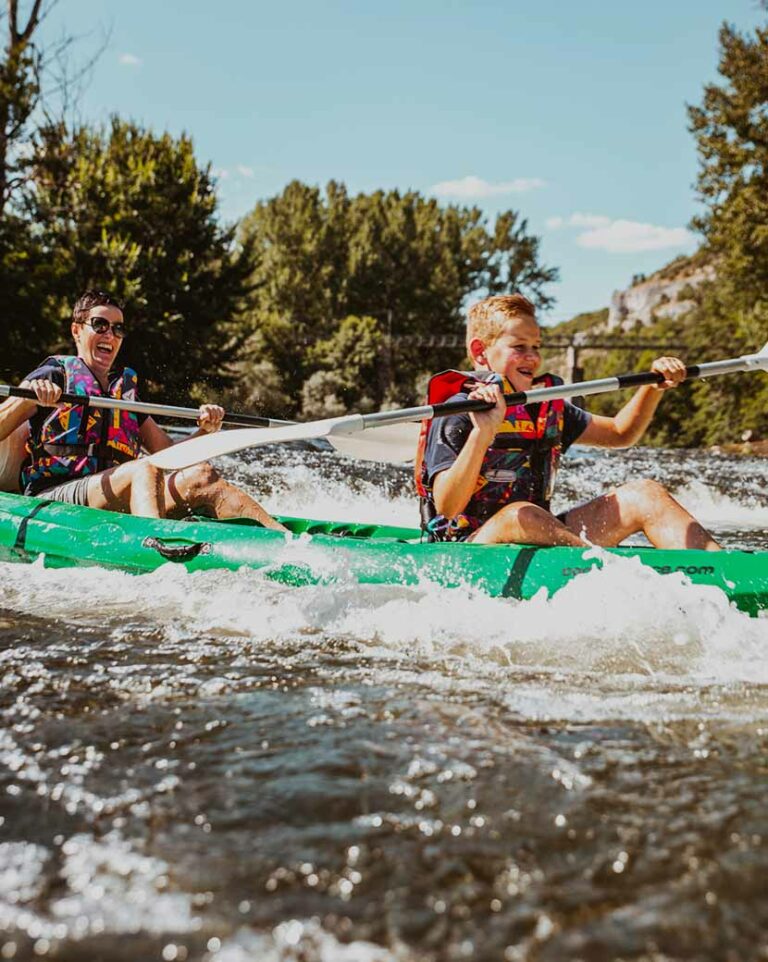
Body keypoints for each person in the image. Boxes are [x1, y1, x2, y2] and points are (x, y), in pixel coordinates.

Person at [416, 293, 720, 550]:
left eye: (536, 346)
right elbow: (447, 506)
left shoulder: (545, 408)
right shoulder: (457, 411)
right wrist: (482, 433)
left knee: (646, 494)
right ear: (481, 353)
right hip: (468, 545)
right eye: (519, 347)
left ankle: (723, 570)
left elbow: (620, 433)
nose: (532, 357)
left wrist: (652, 388)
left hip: (543, 532)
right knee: (520, 514)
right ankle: (610, 572)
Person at [0, 289, 285, 529]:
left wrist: (205, 430)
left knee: (202, 475)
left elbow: (169, 455)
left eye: (118, 329)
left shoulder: (125, 393)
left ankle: (287, 541)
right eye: (99, 325)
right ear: (77, 330)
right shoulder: (53, 374)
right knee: (142, 470)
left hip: (118, 492)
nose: (109, 335)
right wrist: (31, 399)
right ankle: (155, 548)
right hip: (56, 498)